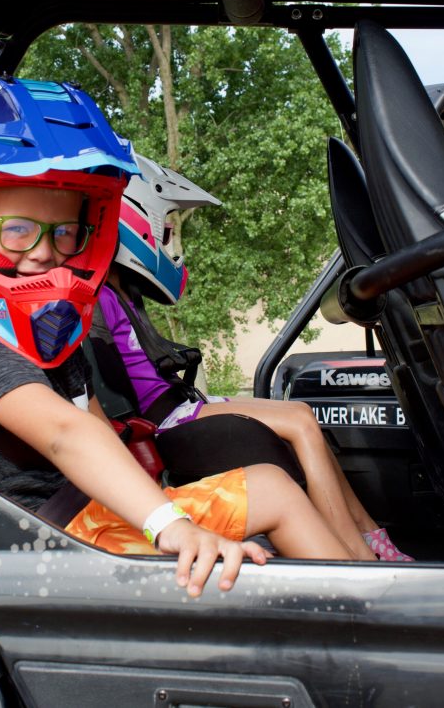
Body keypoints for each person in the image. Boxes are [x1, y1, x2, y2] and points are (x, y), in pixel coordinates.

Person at [0, 77, 363, 601]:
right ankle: (361, 624)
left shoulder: (49, 332)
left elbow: (92, 421)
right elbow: (64, 431)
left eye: (64, 232)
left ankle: (373, 590)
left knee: (270, 482)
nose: (43, 252)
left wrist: (159, 499)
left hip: (89, 515)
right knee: (274, 493)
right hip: (44, 542)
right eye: (16, 228)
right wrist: (169, 524)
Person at [90, 154, 414, 563]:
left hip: (183, 404)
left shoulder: (124, 292)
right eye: (168, 232)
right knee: (298, 420)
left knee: (300, 413)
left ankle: (371, 536)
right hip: (166, 415)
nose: (173, 245)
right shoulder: (100, 296)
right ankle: (357, 559)